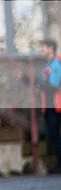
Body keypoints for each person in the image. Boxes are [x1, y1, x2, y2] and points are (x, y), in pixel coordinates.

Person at [38, 39, 61, 174]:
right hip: (48, 106)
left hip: (56, 105)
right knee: (53, 135)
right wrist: (24, 78)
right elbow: (39, 81)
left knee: (54, 135)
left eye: (43, 47)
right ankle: (58, 164)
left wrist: (40, 84)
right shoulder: (46, 66)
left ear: (51, 49)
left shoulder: (56, 65)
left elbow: (53, 85)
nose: (40, 50)